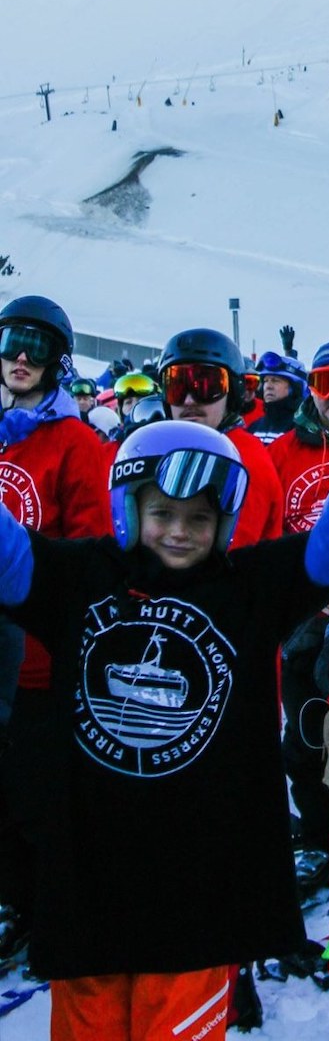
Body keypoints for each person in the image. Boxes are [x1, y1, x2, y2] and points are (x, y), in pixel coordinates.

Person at [0, 342, 329, 1041]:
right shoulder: (79, 576)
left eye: (199, 518)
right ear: (129, 509)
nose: (179, 532)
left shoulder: (248, 585)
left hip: (198, 883)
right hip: (89, 874)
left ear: (225, 523)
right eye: (161, 513)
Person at [0, 295, 111, 965]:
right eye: (12, 343)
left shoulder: (73, 443)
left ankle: (53, 906)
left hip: (38, 655)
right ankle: (17, 899)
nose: (19, 358)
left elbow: (89, 549)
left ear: (57, 363)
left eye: (35, 348)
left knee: (37, 793)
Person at [268, 339, 329, 898]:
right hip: (304, 620)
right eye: (324, 380)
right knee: (303, 738)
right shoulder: (285, 451)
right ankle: (319, 840)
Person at [158, 328, 283, 547]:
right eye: (176, 387)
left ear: (232, 392)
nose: (188, 401)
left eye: (207, 387)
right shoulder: (170, 449)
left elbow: (232, 556)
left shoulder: (242, 458)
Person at [249, 350, 308, 444]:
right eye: (266, 381)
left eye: (275, 381)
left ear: (294, 388)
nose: (268, 386)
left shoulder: (303, 430)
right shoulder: (253, 428)